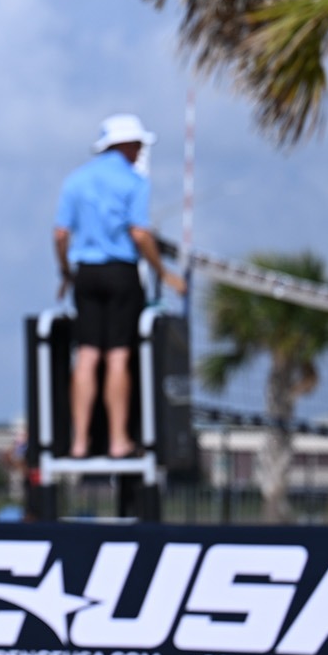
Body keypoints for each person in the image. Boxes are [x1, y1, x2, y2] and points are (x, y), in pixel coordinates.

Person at [53, 114, 186, 460]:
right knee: (117, 357)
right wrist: (165, 273)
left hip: (86, 274)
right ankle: (118, 440)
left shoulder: (75, 180)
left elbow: (61, 234)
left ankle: (79, 441)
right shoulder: (134, 181)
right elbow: (140, 232)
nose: (141, 149)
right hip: (121, 273)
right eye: (138, 143)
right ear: (124, 145)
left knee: (86, 355)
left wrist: (66, 272)